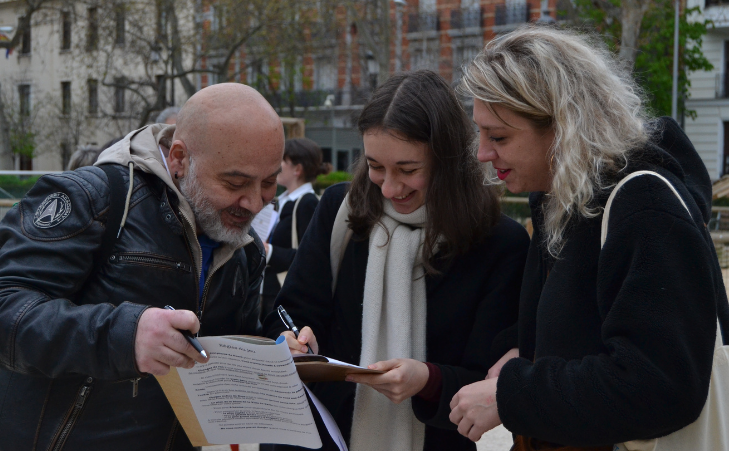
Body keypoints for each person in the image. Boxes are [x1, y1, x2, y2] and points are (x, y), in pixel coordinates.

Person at [449, 25, 729, 450]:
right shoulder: (562, 197)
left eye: (499, 137)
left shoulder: (644, 206)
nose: (482, 153)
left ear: (564, 125)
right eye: (481, 132)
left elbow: (660, 386)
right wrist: (525, 353)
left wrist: (513, 393)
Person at [0, 83, 285, 450]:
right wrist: (125, 336)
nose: (255, 202)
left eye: (269, 182)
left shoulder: (246, 249)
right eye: (235, 182)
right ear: (180, 158)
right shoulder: (92, 197)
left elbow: (228, 351)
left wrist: (279, 348)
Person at [262, 70, 530, 451]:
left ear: (448, 160)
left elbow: (487, 384)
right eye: (375, 166)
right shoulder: (339, 210)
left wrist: (427, 379)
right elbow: (290, 310)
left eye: (408, 170)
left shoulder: (500, 243)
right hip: (319, 438)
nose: (389, 188)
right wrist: (292, 339)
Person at [261, 138, 332, 318]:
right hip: (269, 290)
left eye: (283, 160)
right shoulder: (283, 201)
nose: (277, 165)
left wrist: (269, 251)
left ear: (297, 169)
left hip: (284, 293)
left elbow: (309, 257)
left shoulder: (307, 203)